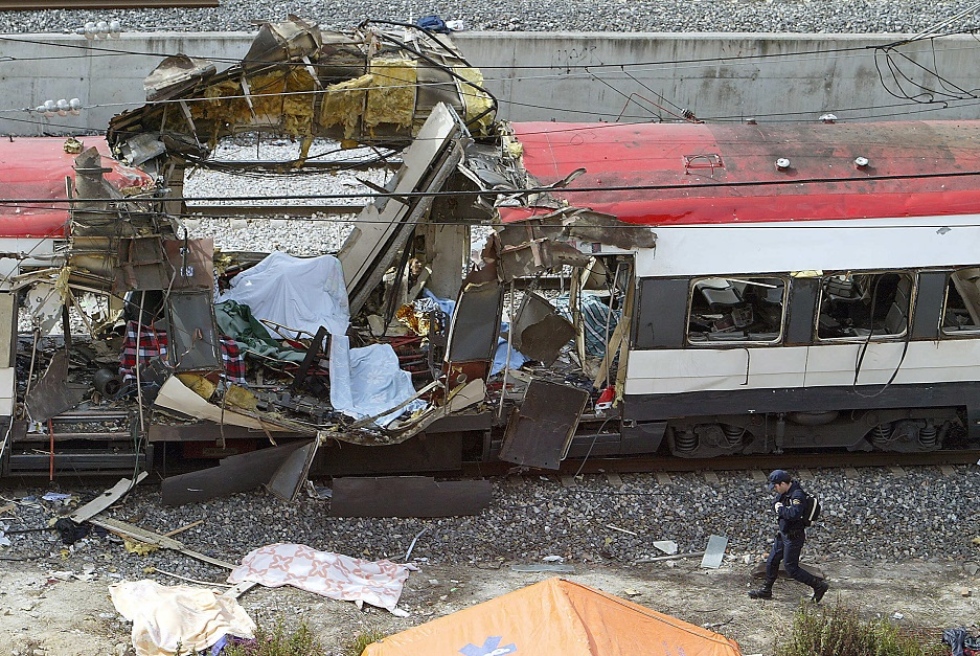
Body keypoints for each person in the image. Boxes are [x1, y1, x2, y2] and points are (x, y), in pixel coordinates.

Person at [748, 469, 829, 602]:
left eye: (775, 486)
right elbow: (775, 503)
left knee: (791, 568)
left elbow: (794, 514)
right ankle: (766, 590)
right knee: (772, 561)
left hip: (794, 537)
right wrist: (779, 507)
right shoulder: (785, 493)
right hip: (783, 534)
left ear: (783, 483)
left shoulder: (797, 496)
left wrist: (780, 509)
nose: (775, 489)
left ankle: (819, 586)